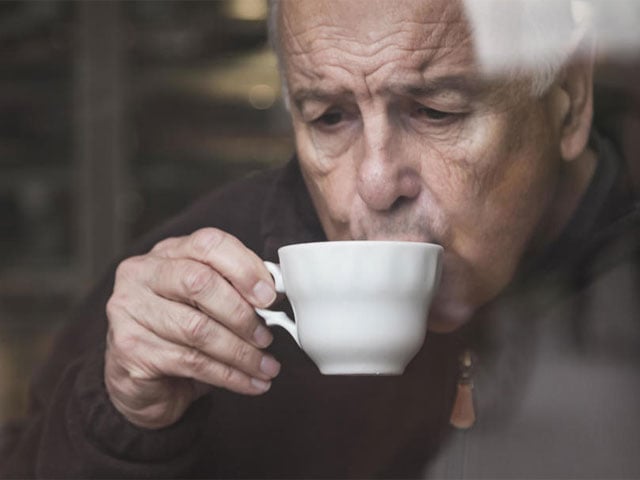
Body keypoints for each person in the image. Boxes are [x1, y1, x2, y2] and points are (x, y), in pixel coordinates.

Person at [1, 0, 639, 477]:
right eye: (329, 117)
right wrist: (122, 422)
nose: (375, 182)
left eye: (437, 110)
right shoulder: (204, 287)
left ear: (568, 99)